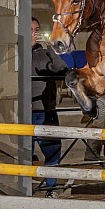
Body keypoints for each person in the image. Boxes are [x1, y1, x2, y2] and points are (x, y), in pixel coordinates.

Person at [31, 17, 68, 198]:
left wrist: (51, 48)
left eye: (36, 29)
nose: (34, 34)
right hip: (25, 113)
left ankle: (51, 189)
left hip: (45, 111)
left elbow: (61, 68)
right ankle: (23, 192)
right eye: (30, 30)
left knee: (52, 151)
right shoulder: (17, 53)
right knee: (25, 153)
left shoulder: (43, 53)